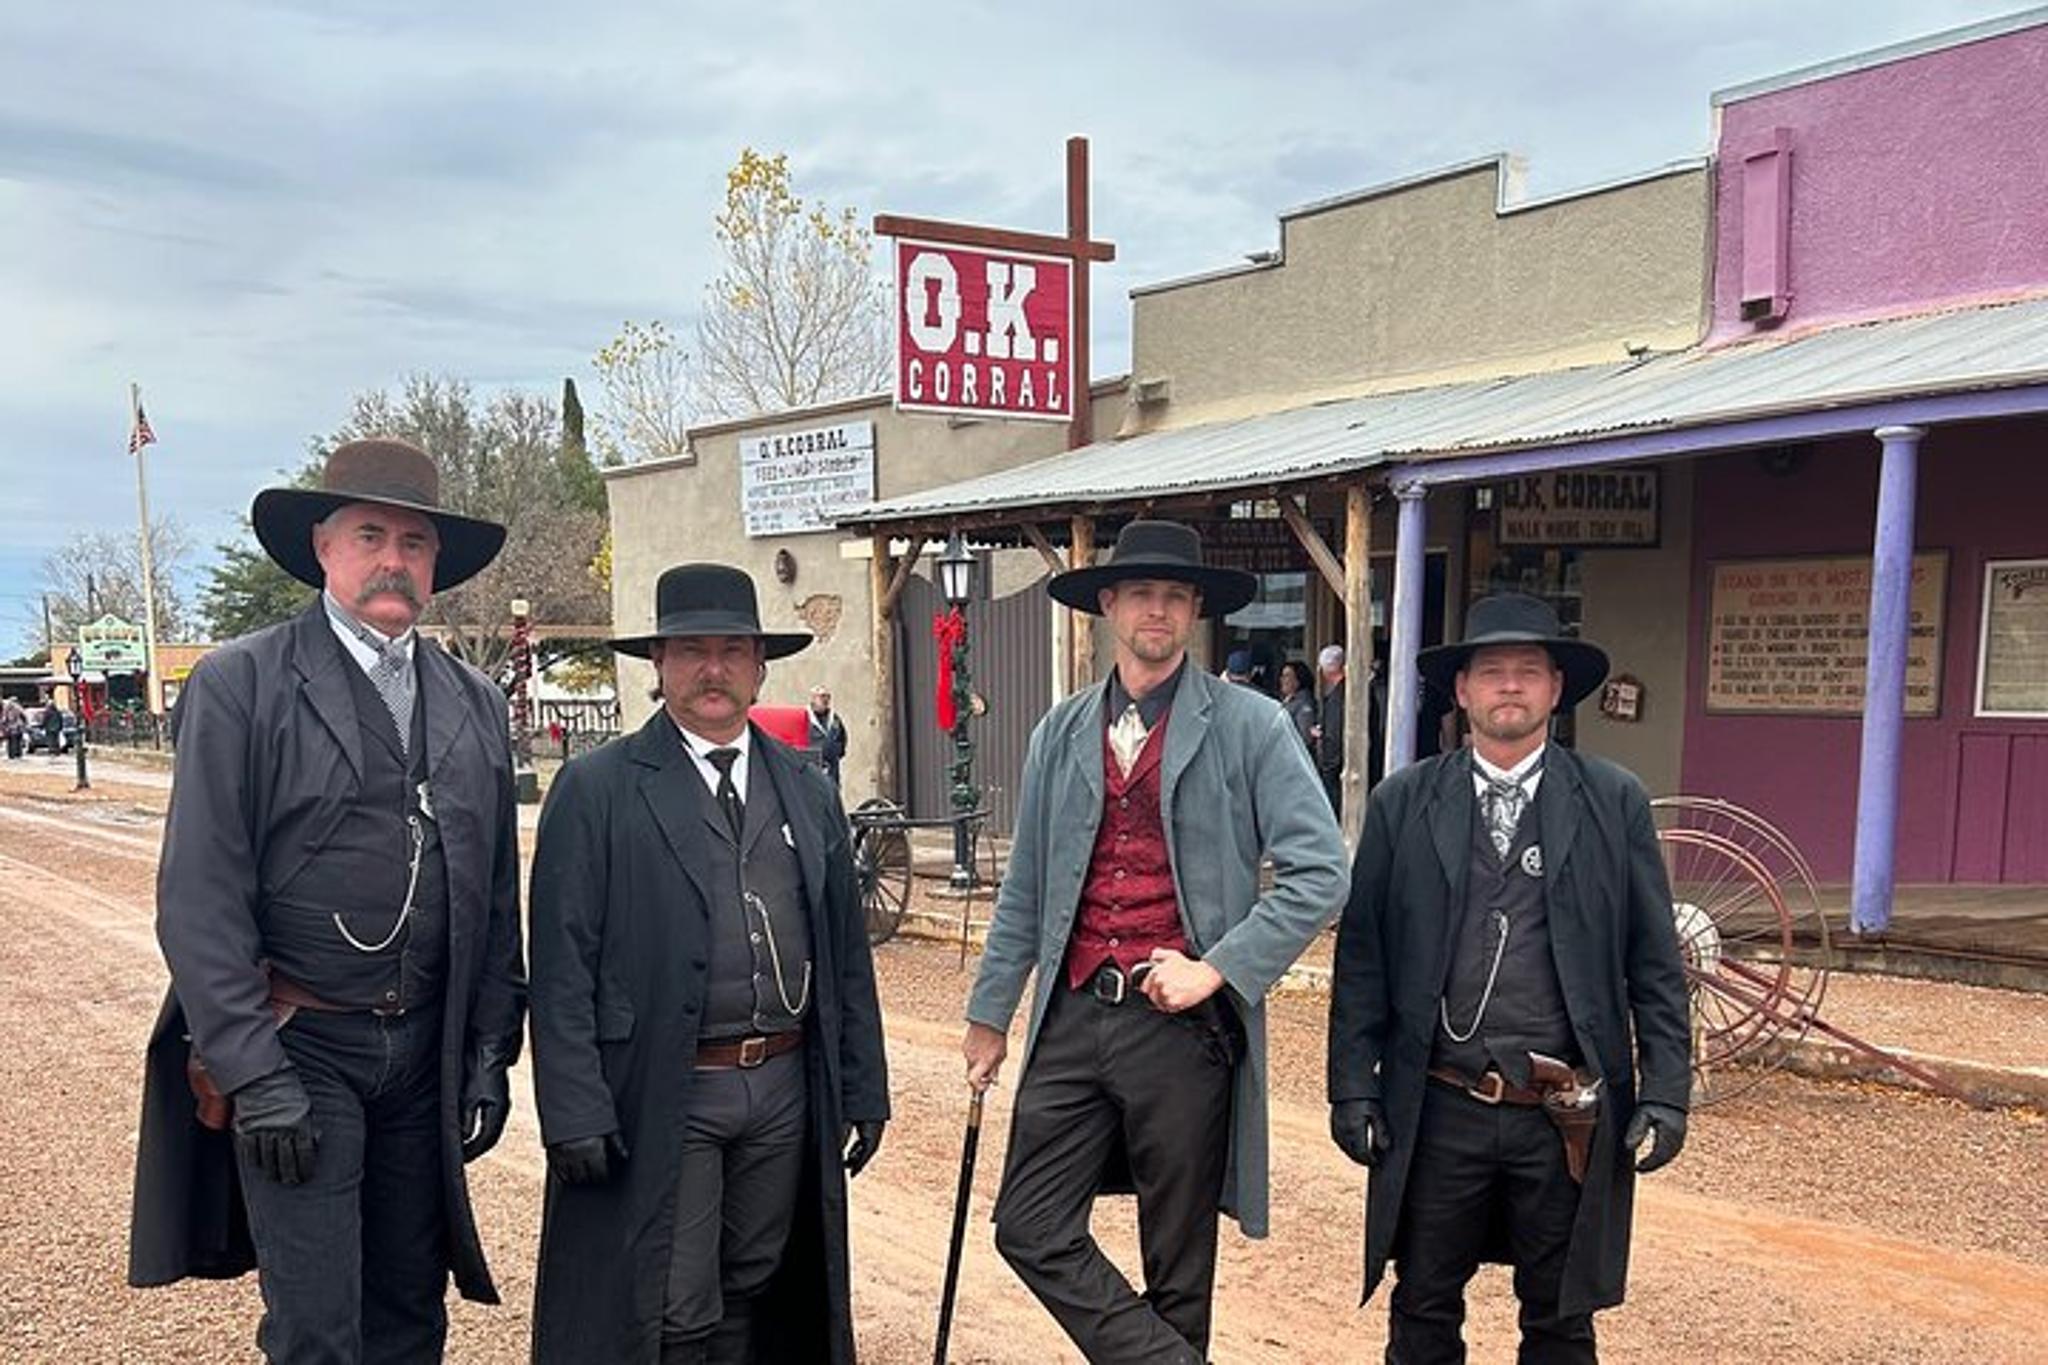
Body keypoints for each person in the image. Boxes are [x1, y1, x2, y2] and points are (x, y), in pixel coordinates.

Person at [128, 437, 527, 1362]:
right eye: (370, 535)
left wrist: (487, 1047)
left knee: (409, 1311)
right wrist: (252, 1070)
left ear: (435, 563)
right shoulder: (242, 683)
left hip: (424, 1048)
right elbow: (198, 895)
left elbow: (494, 888)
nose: (393, 559)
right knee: (315, 1326)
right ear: (323, 546)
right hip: (302, 1044)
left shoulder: (473, 702)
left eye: (414, 543)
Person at [962, 519, 1349, 1365]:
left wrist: (1218, 968)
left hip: (1180, 1031)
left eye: (1176, 596)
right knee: (1027, 1223)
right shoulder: (1058, 732)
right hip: (1071, 1015)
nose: (1158, 610)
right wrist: (991, 1012)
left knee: (1177, 1263)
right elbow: (1026, 886)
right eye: (1142, 593)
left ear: (1196, 612)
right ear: (1108, 604)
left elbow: (1322, 871)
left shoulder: (1251, 725)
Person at [528, 562, 888, 1365]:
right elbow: (560, 965)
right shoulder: (598, 789)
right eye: (692, 649)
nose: (714, 668)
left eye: (733, 649)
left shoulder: (805, 784)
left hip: (784, 1084)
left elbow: (845, 956)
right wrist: (574, 1107)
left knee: (754, 1278)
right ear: (658, 663)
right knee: (676, 1300)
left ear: (762, 665)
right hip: (670, 1083)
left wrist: (863, 1085)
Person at [1326, 593, 1692, 1364]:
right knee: (1423, 1301)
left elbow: (1654, 963)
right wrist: (1352, 1086)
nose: (1510, 687)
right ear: (1461, 690)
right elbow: (1364, 959)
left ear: (1557, 689)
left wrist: (1664, 1091)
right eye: (1491, 672)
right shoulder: (1404, 803)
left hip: (1564, 1111)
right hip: (1439, 1101)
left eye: (1529, 671)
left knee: (1561, 1317)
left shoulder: (1612, 800)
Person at [1313, 643, 1347, 811]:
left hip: (1336, 767)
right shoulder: (1345, 692)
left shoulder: (1338, 697)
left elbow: (1334, 733)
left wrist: (1327, 766)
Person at [807, 682, 848, 788]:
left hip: (832, 772)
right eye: (821, 696)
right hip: (812, 771)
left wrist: (835, 753)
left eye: (827, 696)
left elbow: (843, 740)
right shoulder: (804, 718)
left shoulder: (835, 720)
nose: (825, 700)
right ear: (812, 699)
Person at [1278, 658, 1317, 752]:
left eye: (1287, 676)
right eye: (1282, 676)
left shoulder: (1304, 703)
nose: (1282, 679)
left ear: (1298, 679)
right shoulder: (1289, 700)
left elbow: (1306, 737)